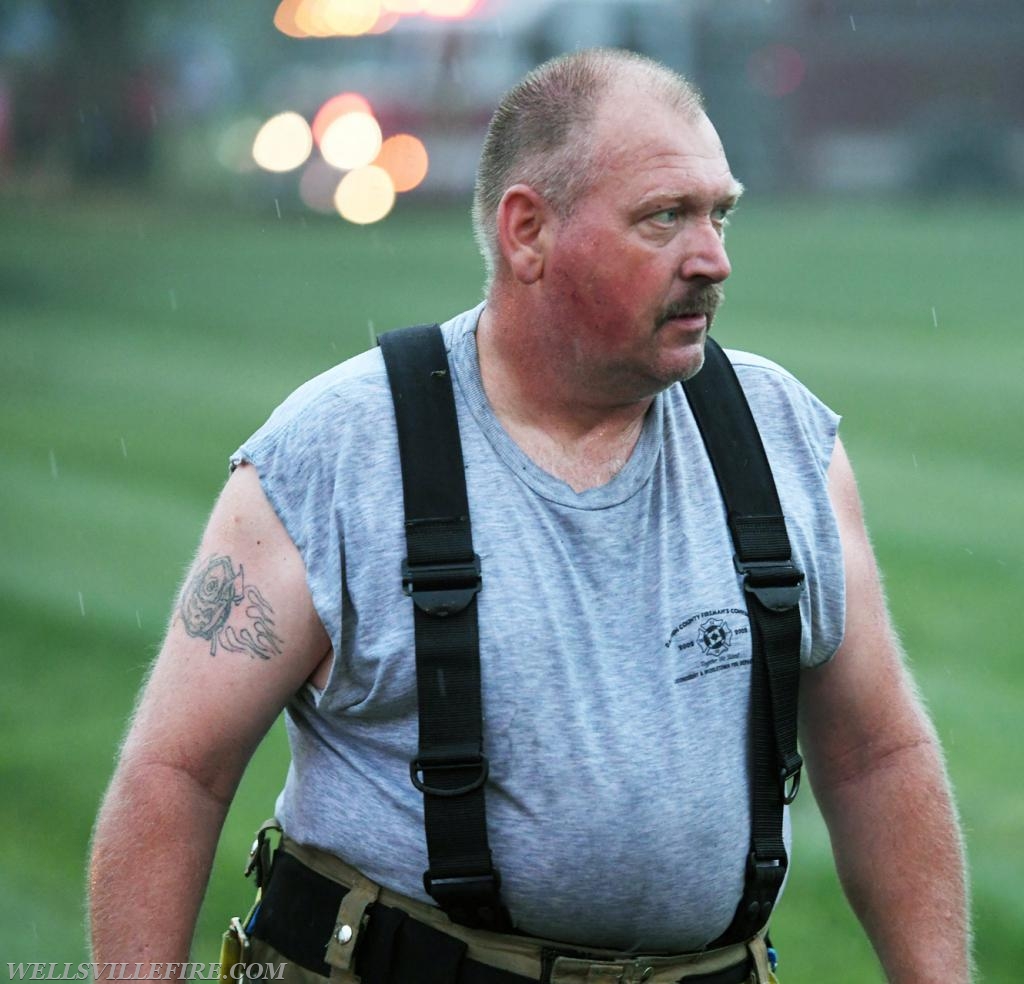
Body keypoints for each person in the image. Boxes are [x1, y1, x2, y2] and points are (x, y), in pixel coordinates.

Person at [88, 48, 971, 983]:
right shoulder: (337, 452)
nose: (713, 259)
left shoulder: (783, 436)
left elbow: (879, 756)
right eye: (664, 217)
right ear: (527, 232)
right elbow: (175, 777)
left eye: (720, 213)